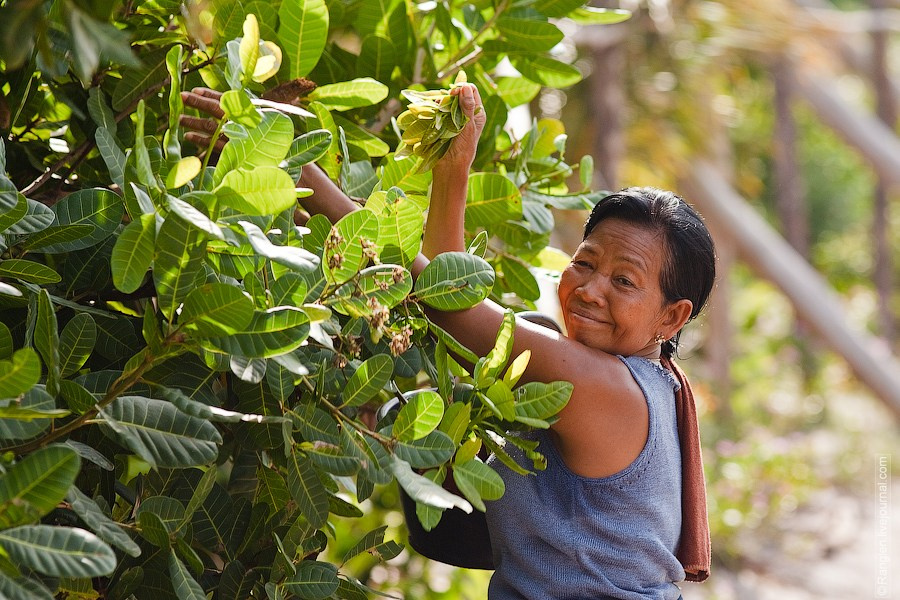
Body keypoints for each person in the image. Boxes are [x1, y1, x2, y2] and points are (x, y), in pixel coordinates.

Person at [181, 83, 715, 599]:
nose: (591, 290)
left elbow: (440, 301)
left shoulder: (606, 388)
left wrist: (293, 166)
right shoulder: (639, 380)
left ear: (672, 317)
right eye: (585, 263)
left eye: (624, 281)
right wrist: (451, 168)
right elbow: (449, 289)